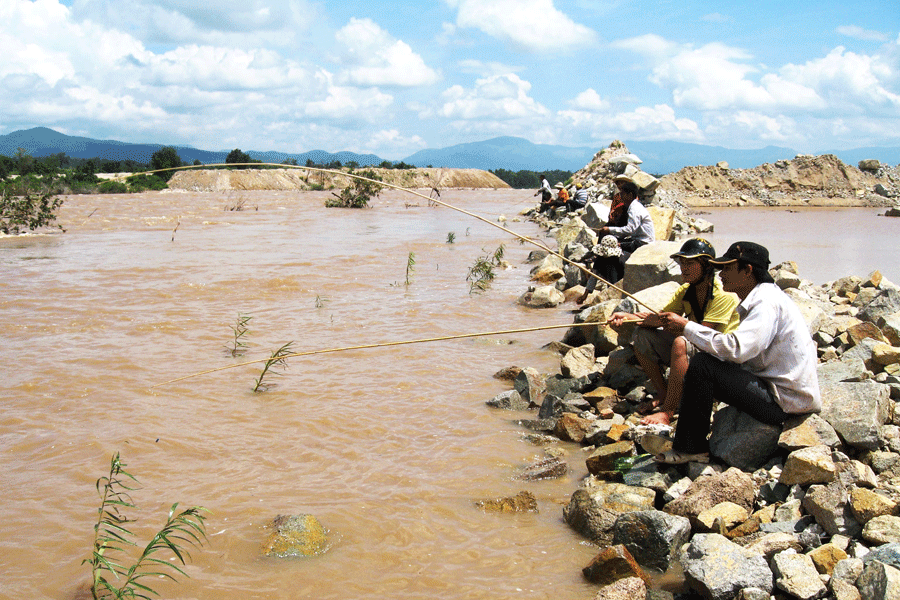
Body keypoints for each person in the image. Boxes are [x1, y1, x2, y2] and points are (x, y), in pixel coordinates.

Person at [654, 241, 822, 464]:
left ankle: (689, 448)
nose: (721, 274)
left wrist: (686, 327)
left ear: (748, 271)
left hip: (784, 403)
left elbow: (737, 350)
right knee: (708, 361)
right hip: (782, 395)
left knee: (703, 365)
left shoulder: (765, 303)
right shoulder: (763, 297)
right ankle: (690, 433)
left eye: (727, 268)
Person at [608, 239, 740, 426]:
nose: (683, 269)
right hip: (696, 346)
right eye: (682, 263)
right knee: (642, 334)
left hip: (718, 358)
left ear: (707, 266)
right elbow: (661, 318)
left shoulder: (723, 296)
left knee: (680, 342)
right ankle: (663, 394)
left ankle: (668, 411)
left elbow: (704, 334)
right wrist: (627, 316)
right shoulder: (686, 290)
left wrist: (673, 323)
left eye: (690, 264)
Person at [577, 176, 654, 303]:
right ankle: (589, 292)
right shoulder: (629, 206)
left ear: (630, 194)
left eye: (623, 192)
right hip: (633, 239)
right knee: (604, 253)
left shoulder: (634, 208)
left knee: (608, 254)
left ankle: (604, 291)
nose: (620, 195)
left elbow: (630, 229)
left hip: (642, 243)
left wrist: (610, 230)